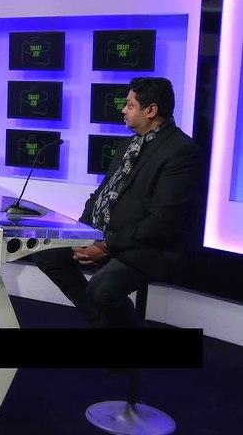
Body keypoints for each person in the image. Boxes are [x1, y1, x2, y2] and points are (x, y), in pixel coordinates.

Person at [33, 77, 200, 328]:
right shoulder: (128, 145)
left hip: (146, 246)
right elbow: (101, 194)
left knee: (101, 289)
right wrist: (82, 233)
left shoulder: (180, 151)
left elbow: (162, 222)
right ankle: (104, 323)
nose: (123, 110)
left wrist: (106, 246)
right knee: (46, 254)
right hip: (105, 236)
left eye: (130, 105)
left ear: (151, 110)